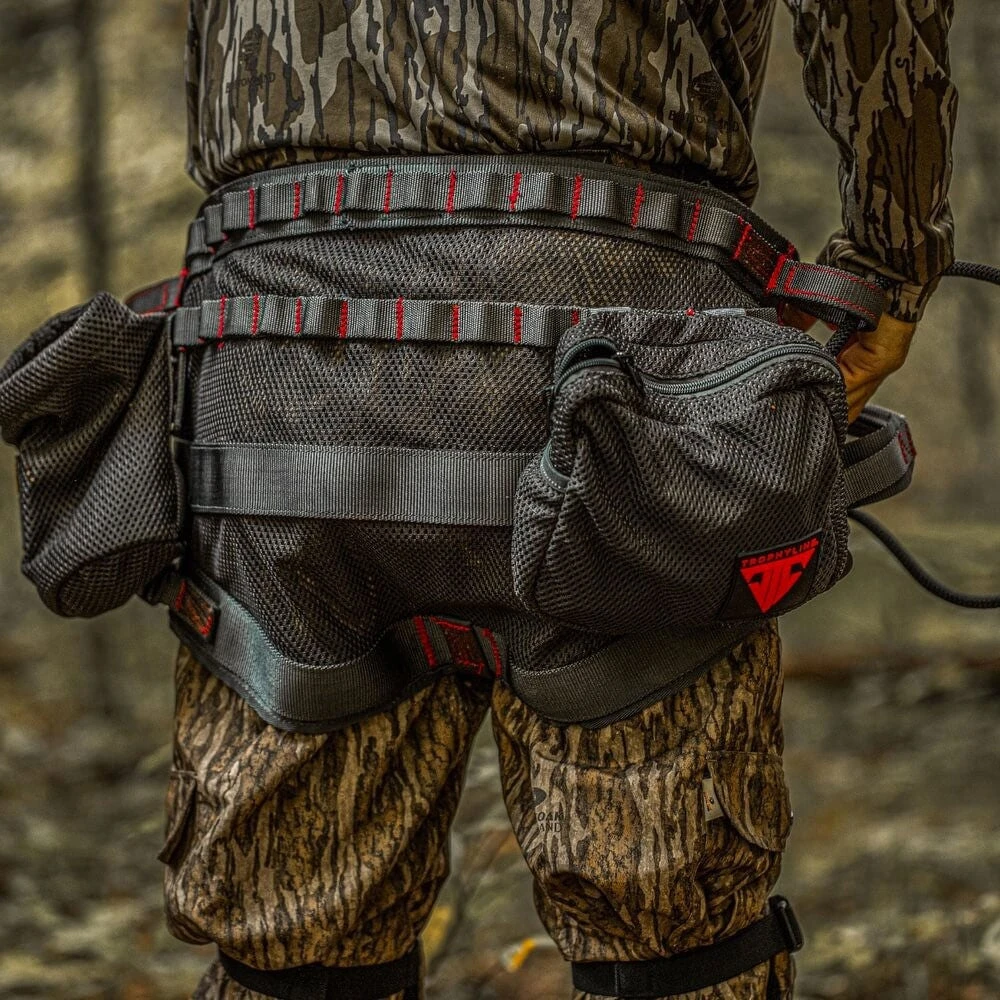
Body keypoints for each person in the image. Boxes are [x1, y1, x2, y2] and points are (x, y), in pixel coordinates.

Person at [162, 2, 957, 998]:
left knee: (290, 941)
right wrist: (890, 258)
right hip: (629, 344)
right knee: (674, 936)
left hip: (274, 360)